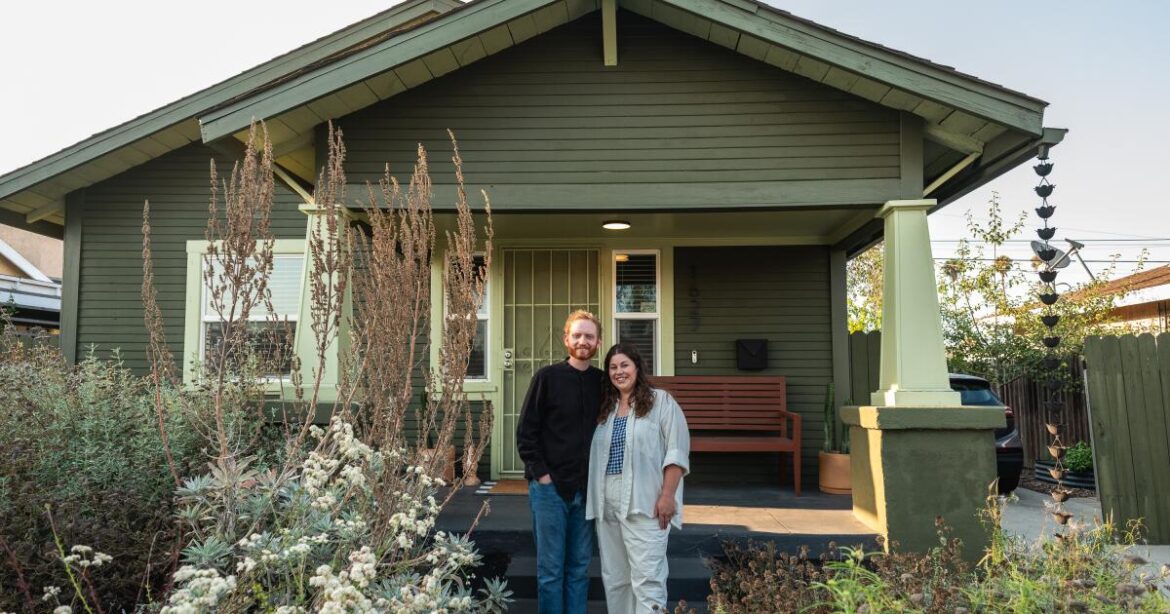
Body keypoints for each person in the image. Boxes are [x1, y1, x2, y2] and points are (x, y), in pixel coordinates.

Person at [587, 342, 690, 614]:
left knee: (648, 580)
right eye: (612, 367)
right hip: (607, 503)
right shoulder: (605, 410)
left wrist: (667, 496)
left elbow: (676, 451)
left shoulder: (661, 402)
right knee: (616, 579)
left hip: (645, 502)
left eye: (624, 365)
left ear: (637, 368)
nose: (619, 371)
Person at [516, 310, 606, 614]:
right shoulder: (547, 378)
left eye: (589, 336)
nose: (583, 341)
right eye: (577, 335)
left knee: (579, 569)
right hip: (549, 491)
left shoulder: (603, 383)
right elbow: (526, 432)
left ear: (598, 342)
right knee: (551, 572)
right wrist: (542, 476)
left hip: (587, 491)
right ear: (566, 339)